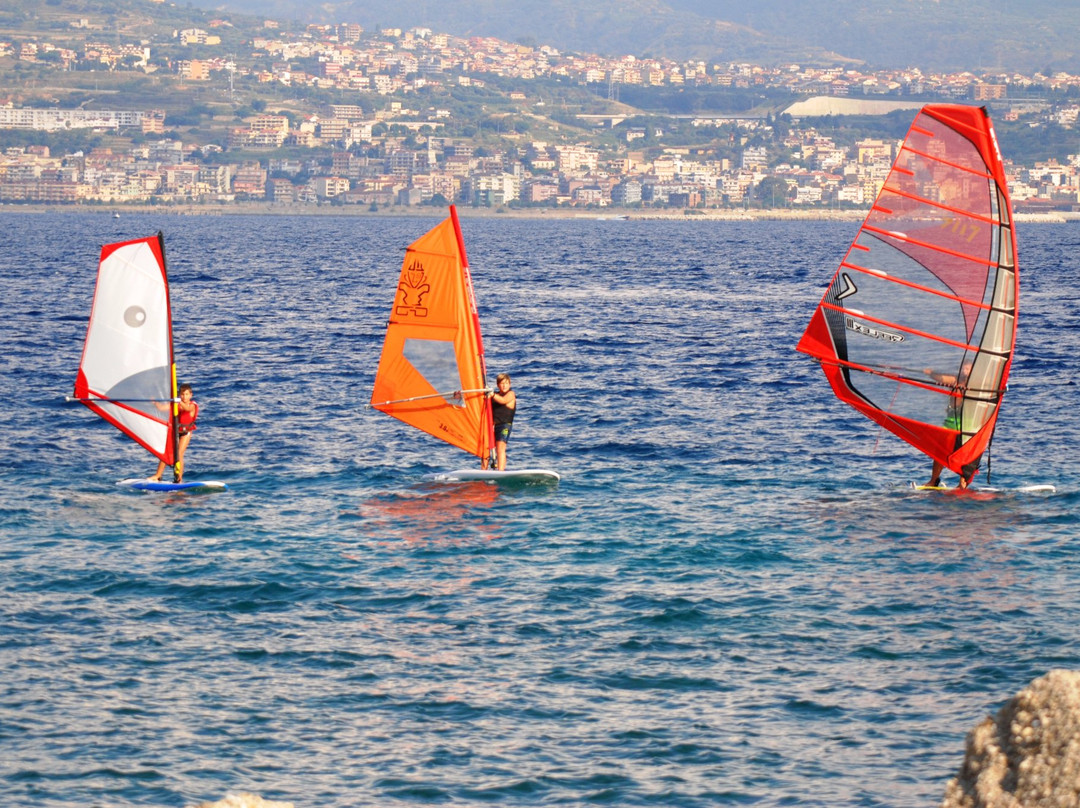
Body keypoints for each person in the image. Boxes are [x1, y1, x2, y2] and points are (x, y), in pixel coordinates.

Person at [923, 361, 977, 489]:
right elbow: (942, 378)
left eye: (968, 368)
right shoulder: (955, 380)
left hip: (967, 422)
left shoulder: (976, 384)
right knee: (939, 450)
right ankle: (933, 480)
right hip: (951, 420)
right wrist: (930, 373)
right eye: (964, 367)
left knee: (965, 452)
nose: (965, 370)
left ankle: (962, 483)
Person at [148, 383, 198, 483]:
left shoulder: (192, 405)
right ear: (179, 395)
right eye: (182, 395)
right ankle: (158, 475)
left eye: (187, 394)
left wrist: (178, 401)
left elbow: (187, 409)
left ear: (191, 395)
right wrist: (154, 402)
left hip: (186, 433)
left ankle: (179, 479)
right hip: (175, 432)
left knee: (179, 454)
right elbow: (161, 408)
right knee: (166, 453)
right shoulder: (176, 404)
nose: (184, 397)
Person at [483, 373, 516, 471]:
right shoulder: (494, 395)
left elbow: (503, 400)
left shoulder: (511, 394)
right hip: (492, 426)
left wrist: (491, 394)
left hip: (504, 425)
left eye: (506, 383)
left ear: (509, 384)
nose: (504, 385)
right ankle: (483, 470)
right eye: (502, 383)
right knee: (485, 449)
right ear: (498, 385)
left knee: (500, 448)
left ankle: (500, 471)